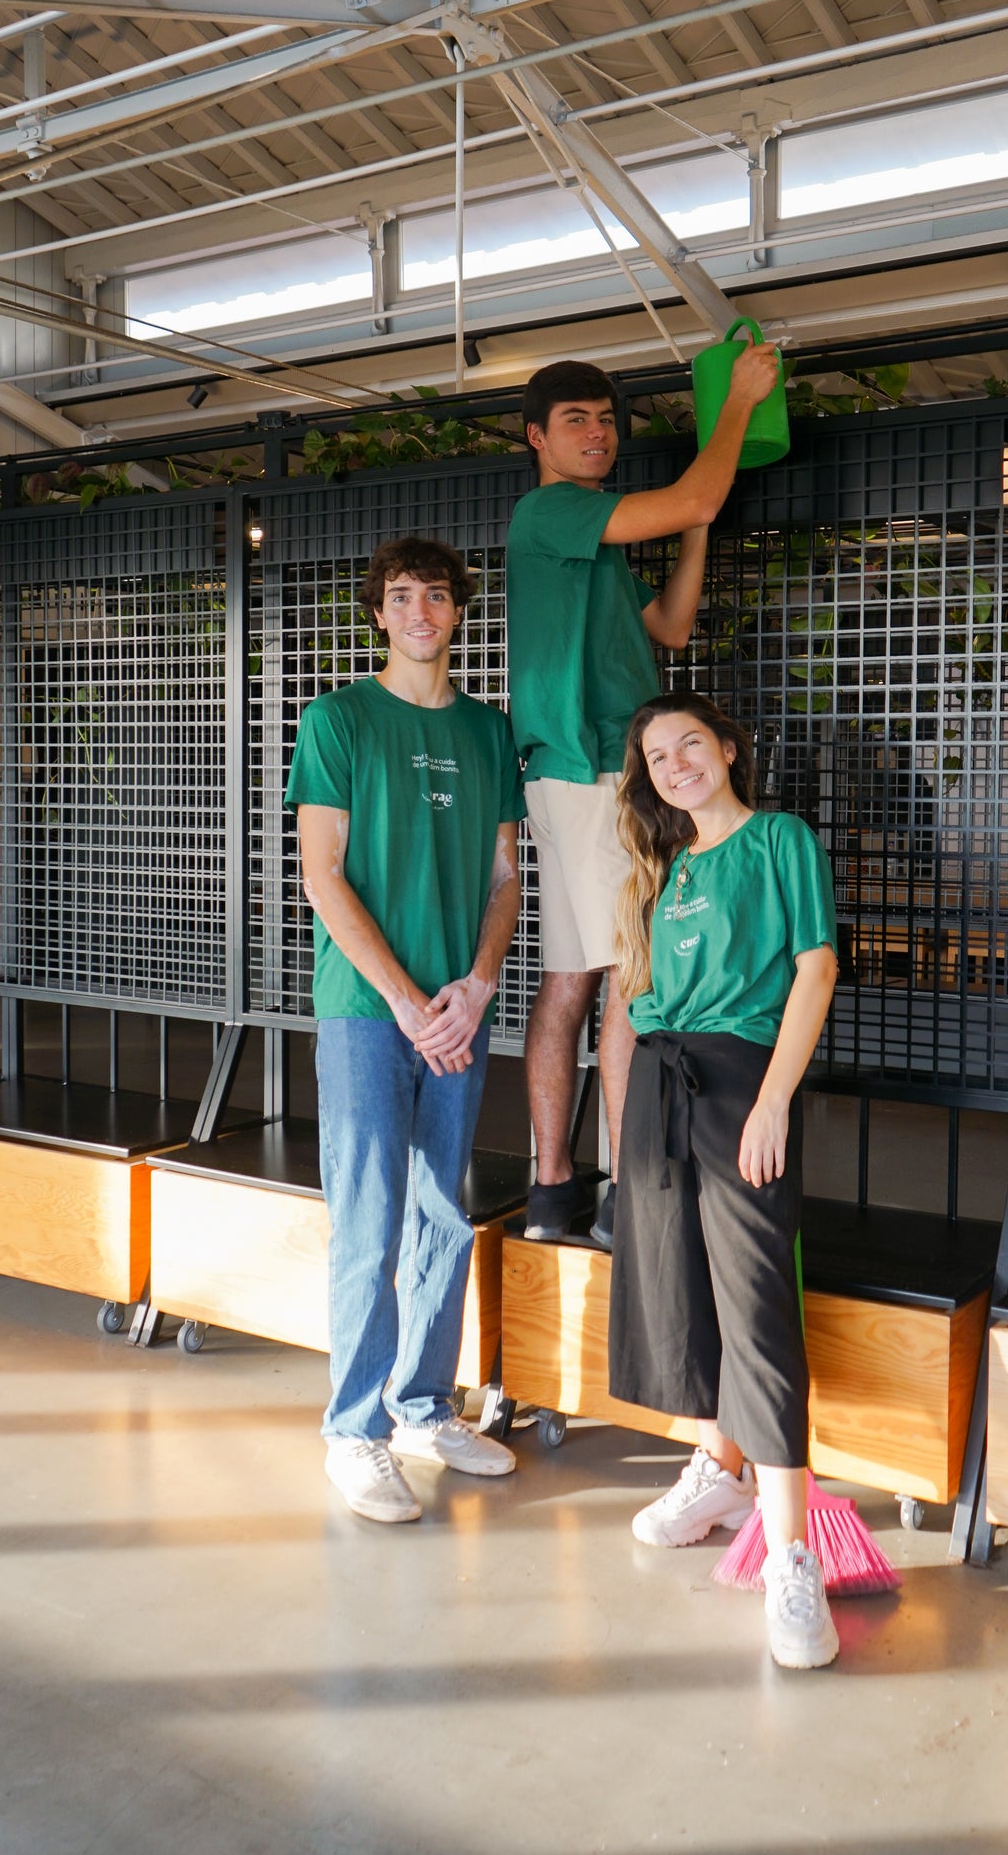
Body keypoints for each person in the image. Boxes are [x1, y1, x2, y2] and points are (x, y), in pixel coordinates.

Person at [507, 348, 782, 1244]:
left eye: (605, 419)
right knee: (628, 973)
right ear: (536, 437)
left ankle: (555, 1191)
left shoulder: (589, 539)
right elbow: (694, 495)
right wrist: (734, 406)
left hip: (589, 773)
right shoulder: (553, 511)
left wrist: (697, 528)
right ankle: (623, 1195)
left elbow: (670, 626)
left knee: (577, 978)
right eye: (576, 420)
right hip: (588, 768)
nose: (597, 434)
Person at [286, 535, 524, 1525]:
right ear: (376, 614)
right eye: (399, 595)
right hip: (366, 1010)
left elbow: (507, 877)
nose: (419, 609)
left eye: (436, 594)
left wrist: (474, 983)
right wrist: (402, 999)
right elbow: (321, 872)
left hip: (456, 1008)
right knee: (371, 1214)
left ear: (458, 610)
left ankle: (423, 1405)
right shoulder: (338, 718)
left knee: (439, 1209)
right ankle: (355, 1430)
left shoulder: (489, 732)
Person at [607, 690, 842, 1670]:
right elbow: (638, 1000)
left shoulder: (777, 838)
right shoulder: (662, 872)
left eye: (689, 744)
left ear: (728, 748)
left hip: (743, 1082)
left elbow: (815, 968)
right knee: (674, 1291)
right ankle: (716, 1466)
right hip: (661, 1088)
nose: (675, 764)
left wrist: (773, 1100)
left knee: (752, 1308)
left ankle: (791, 1559)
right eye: (657, 756)